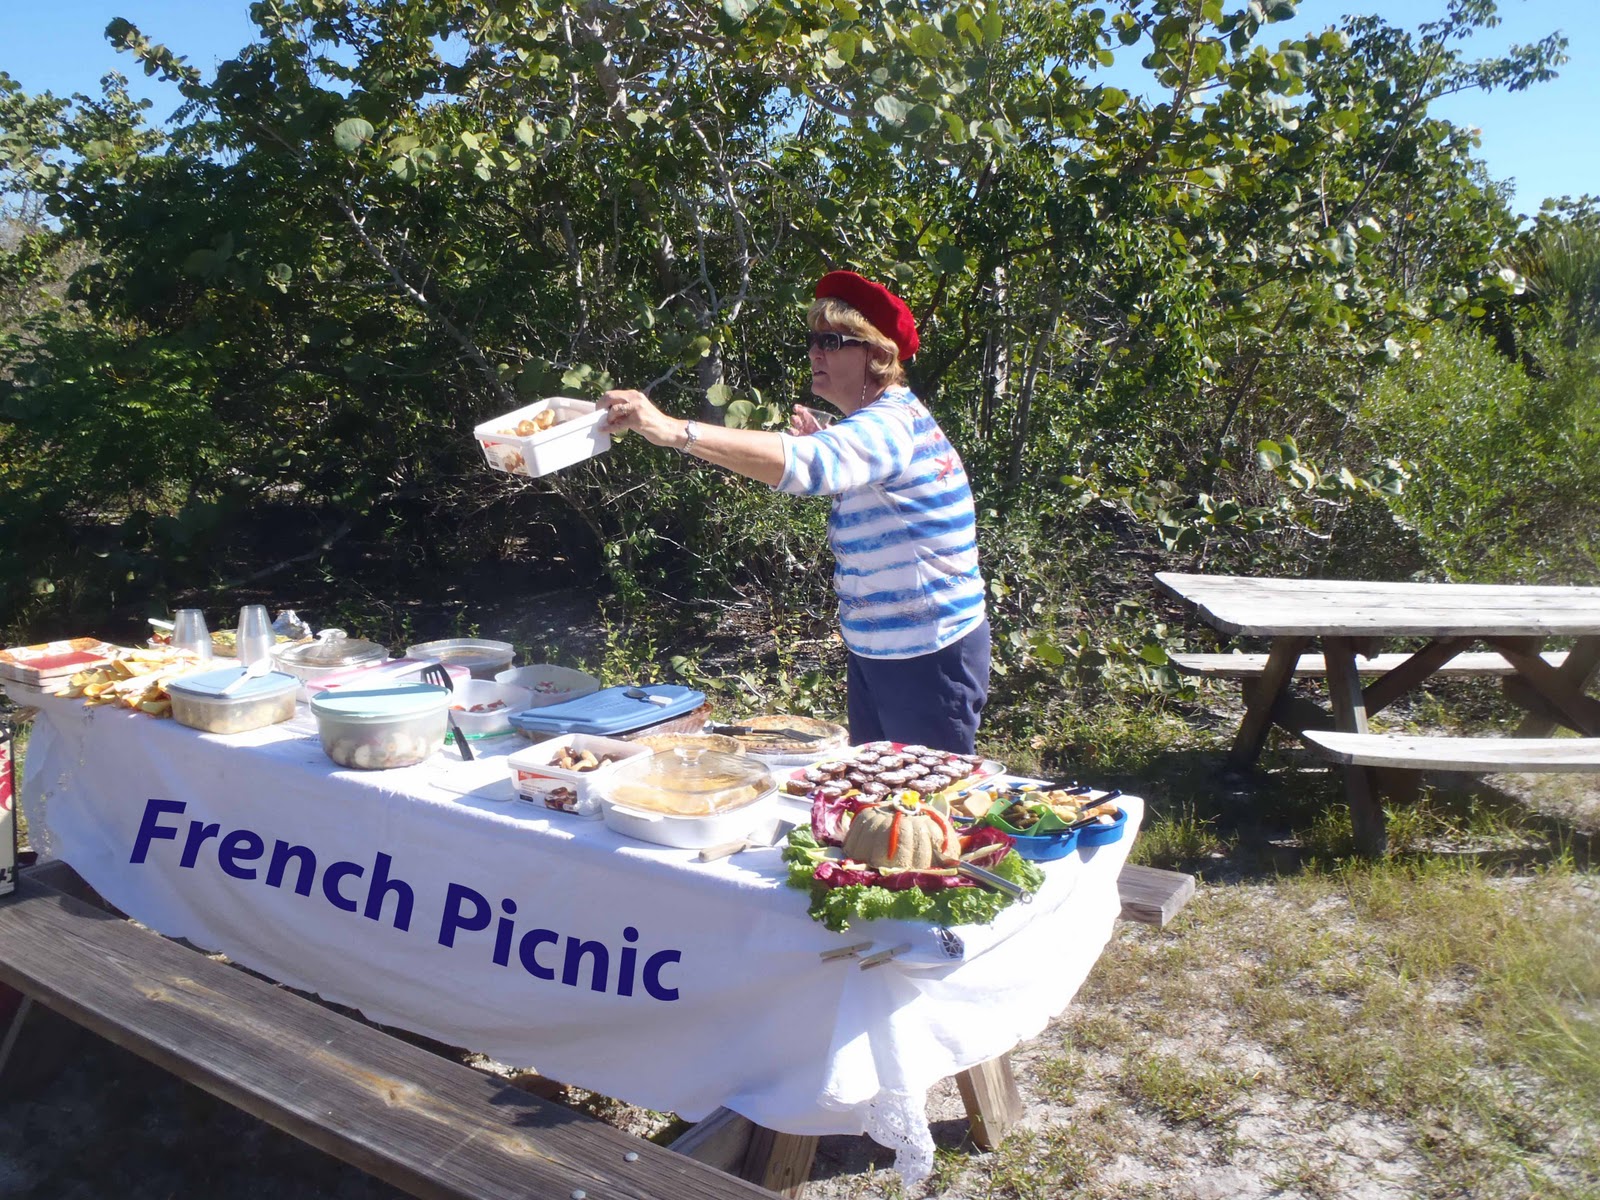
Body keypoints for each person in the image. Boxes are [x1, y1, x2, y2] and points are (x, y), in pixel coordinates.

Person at [598, 270, 989, 754]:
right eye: (812, 339)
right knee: (876, 800)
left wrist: (671, 428)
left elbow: (812, 467)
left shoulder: (891, 425)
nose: (814, 352)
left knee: (925, 809)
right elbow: (848, 476)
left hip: (928, 654)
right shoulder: (878, 423)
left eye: (831, 340)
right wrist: (822, 443)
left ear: (878, 354)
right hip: (884, 649)